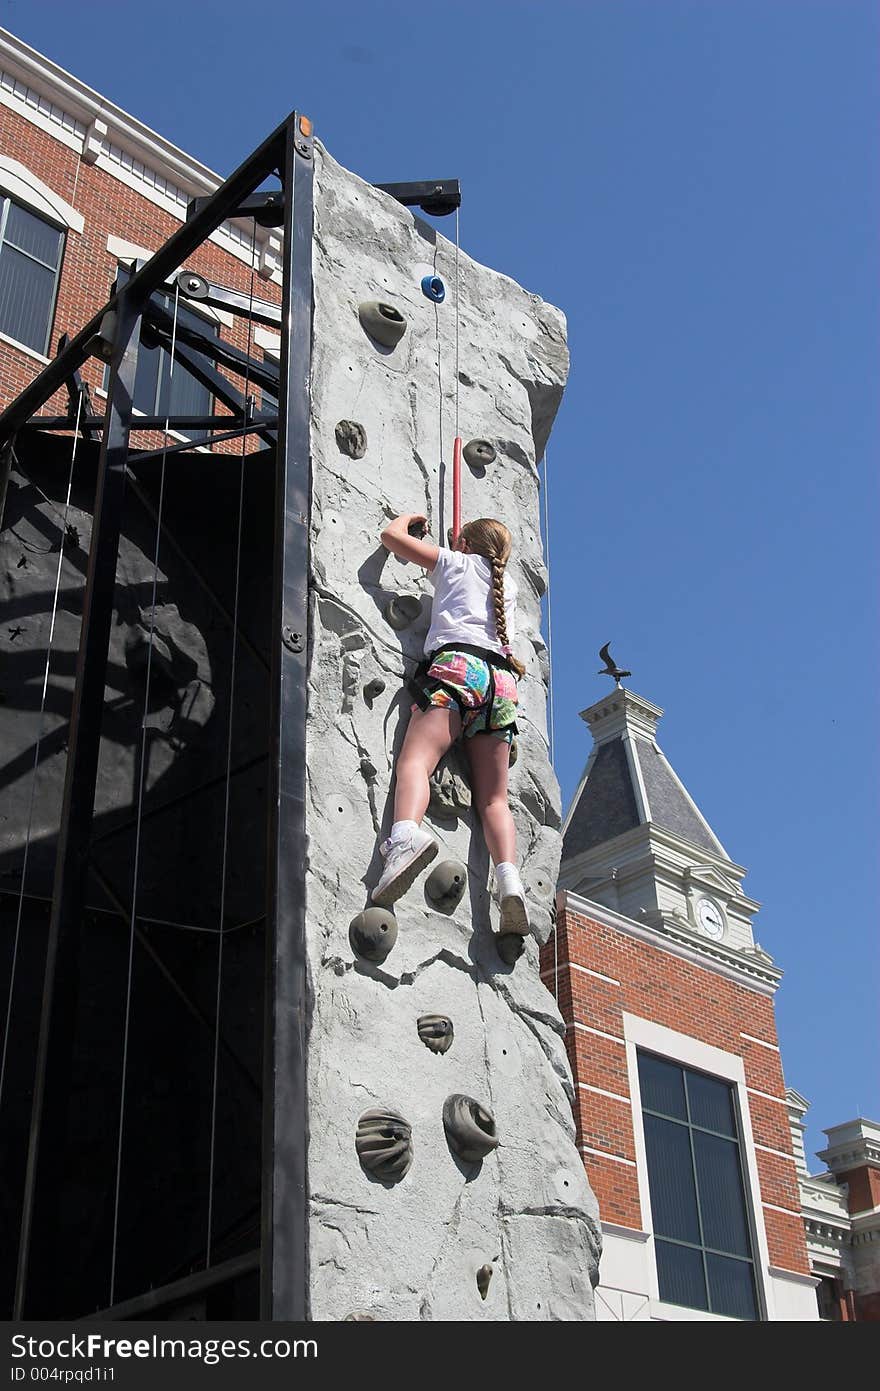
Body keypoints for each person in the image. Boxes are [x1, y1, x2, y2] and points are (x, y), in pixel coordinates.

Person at [371, 512, 529, 934]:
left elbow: (391, 537)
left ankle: (405, 838)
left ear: (464, 545)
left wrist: (411, 521)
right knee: (494, 799)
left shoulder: (453, 562)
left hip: (458, 668)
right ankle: (510, 880)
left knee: (416, 762)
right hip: (501, 685)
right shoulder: (507, 587)